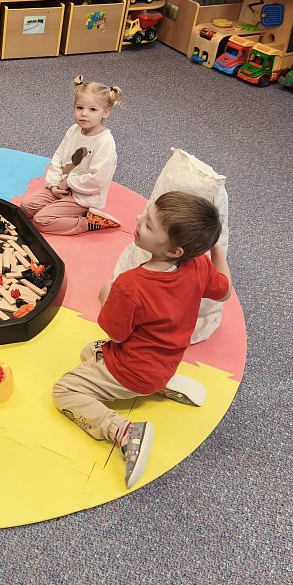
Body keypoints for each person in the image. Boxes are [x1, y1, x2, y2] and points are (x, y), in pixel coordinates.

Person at [52, 191, 233, 489]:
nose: (138, 219)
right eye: (145, 215)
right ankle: (159, 383)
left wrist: (105, 297)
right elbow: (224, 291)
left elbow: (116, 334)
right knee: (87, 352)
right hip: (165, 362)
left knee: (64, 390)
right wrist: (216, 250)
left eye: (148, 224)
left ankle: (124, 431)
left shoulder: (131, 285)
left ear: (174, 250)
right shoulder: (199, 266)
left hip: (132, 371)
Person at [20, 76, 124, 234]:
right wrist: (53, 185)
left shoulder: (105, 143)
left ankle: (89, 223)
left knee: (41, 221)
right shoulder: (73, 130)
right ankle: (61, 208)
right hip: (62, 188)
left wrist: (68, 182)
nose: (84, 114)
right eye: (79, 108)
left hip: (83, 197)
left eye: (92, 109)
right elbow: (58, 158)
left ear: (106, 112)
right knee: (25, 208)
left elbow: (97, 180)